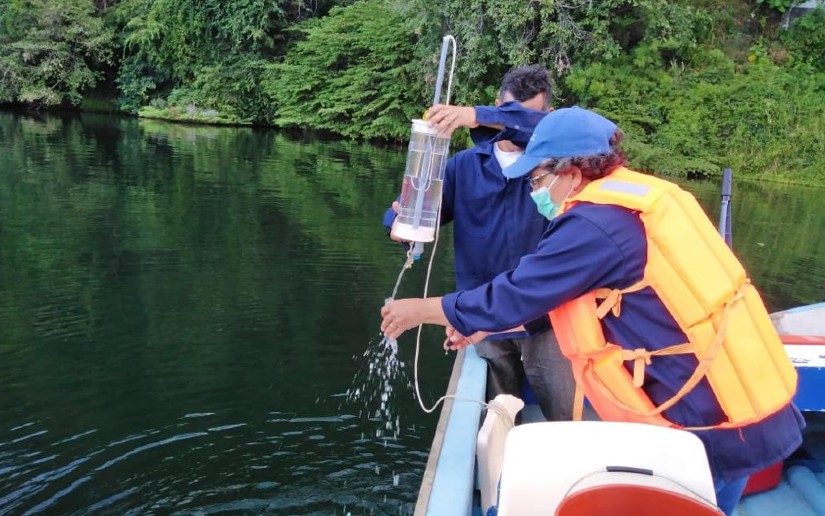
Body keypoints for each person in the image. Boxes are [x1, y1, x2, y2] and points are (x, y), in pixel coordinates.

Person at [380, 107, 805, 515]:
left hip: (708, 421)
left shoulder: (595, 224)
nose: (533, 189)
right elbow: (562, 296)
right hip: (746, 405)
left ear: (572, 172)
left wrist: (422, 309)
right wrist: (478, 327)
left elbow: (516, 292)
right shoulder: (641, 196)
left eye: (538, 177)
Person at [383, 65, 576, 422]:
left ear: (545, 117)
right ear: (497, 106)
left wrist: (474, 116)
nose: (515, 124)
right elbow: (423, 215)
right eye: (508, 112)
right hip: (480, 316)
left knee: (564, 417)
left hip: (546, 321)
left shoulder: (558, 172)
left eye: (526, 117)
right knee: (496, 423)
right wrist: (399, 223)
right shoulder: (462, 166)